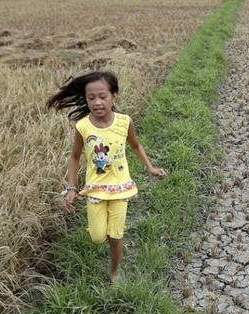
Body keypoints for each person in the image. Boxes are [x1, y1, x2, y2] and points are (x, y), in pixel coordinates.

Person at [48, 71, 167, 283]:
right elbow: (74, 157)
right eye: (91, 98)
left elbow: (136, 145)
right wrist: (72, 188)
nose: (97, 102)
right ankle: (101, 229)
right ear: (86, 99)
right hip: (95, 188)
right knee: (97, 237)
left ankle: (113, 271)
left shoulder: (124, 122)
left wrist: (150, 168)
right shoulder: (83, 127)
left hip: (120, 187)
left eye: (103, 96)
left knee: (115, 236)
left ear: (114, 96)